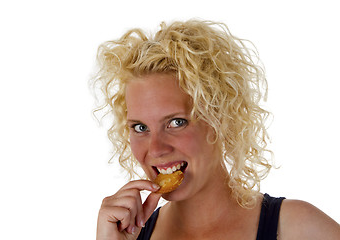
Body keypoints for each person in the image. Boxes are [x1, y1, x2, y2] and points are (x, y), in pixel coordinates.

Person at [91, 19, 340, 240]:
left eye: (176, 122)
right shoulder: (129, 236)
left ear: (220, 118)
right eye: (141, 127)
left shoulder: (298, 229)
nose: (155, 149)